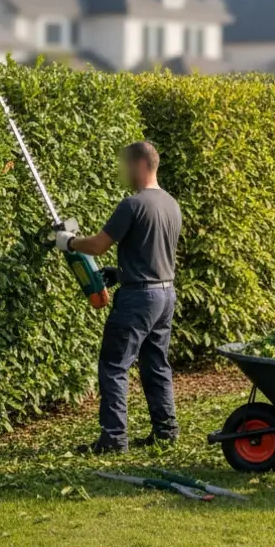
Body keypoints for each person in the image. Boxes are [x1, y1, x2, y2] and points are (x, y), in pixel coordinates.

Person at [58, 141, 182, 454]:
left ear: (140, 165)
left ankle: (113, 440)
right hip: (165, 294)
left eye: (125, 165)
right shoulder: (170, 203)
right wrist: (121, 272)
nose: (122, 171)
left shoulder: (133, 204)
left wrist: (69, 243)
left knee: (113, 366)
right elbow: (152, 252)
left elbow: (98, 245)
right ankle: (166, 432)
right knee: (155, 364)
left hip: (138, 299)